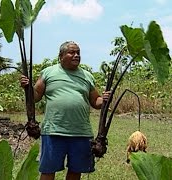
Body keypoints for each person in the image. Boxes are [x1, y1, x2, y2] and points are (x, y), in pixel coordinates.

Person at [20, 41, 110, 180]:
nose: (76, 55)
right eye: (72, 52)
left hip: (81, 132)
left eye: (78, 53)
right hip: (53, 130)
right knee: (48, 170)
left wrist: (103, 99)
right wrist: (27, 88)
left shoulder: (87, 76)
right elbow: (35, 96)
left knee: (76, 170)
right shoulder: (48, 72)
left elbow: (95, 101)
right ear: (61, 56)